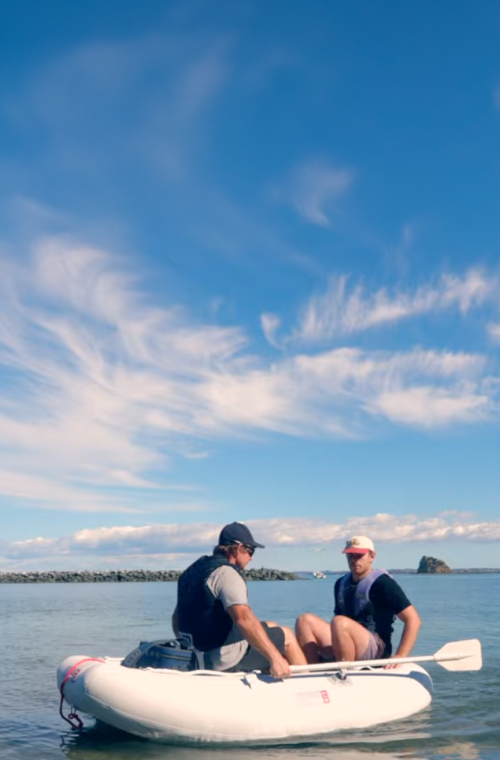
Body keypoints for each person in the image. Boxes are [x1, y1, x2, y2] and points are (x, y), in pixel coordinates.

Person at [172, 521, 307, 678]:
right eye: (251, 551)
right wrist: (275, 658)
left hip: (200, 653)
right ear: (238, 548)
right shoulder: (227, 573)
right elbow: (243, 618)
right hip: (223, 659)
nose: (251, 558)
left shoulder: (193, 572)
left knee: (272, 625)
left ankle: (270, 678)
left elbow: (176, 618)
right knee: (287, 636)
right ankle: (306, 681)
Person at [295, 535, 421, 667]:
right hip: (346, 638)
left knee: (339, 622)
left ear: (372, 556)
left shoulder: (384, 583)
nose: (354, 560)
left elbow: (413, 619)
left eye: (359, 556)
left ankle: (345, 671)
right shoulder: (340, 584)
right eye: (350, 556)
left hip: (376, 647)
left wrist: (401, 655)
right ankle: (312, 669)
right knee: (304, 620)